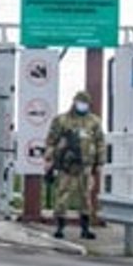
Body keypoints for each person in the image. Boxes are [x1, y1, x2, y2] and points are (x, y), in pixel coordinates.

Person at [44, 89, 106, 240]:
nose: (82, 105)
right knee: (62, 195)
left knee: (85, 196)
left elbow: (100, 142)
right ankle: (60, 227)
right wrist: (49, 159)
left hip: (86, 165)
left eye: (85, 103)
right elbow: (51, 140)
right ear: (74, 102)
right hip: (66, 165)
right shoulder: (62, 120)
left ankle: (85, 228)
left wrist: (100, 162)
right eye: (80, 102)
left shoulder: (94, 122)